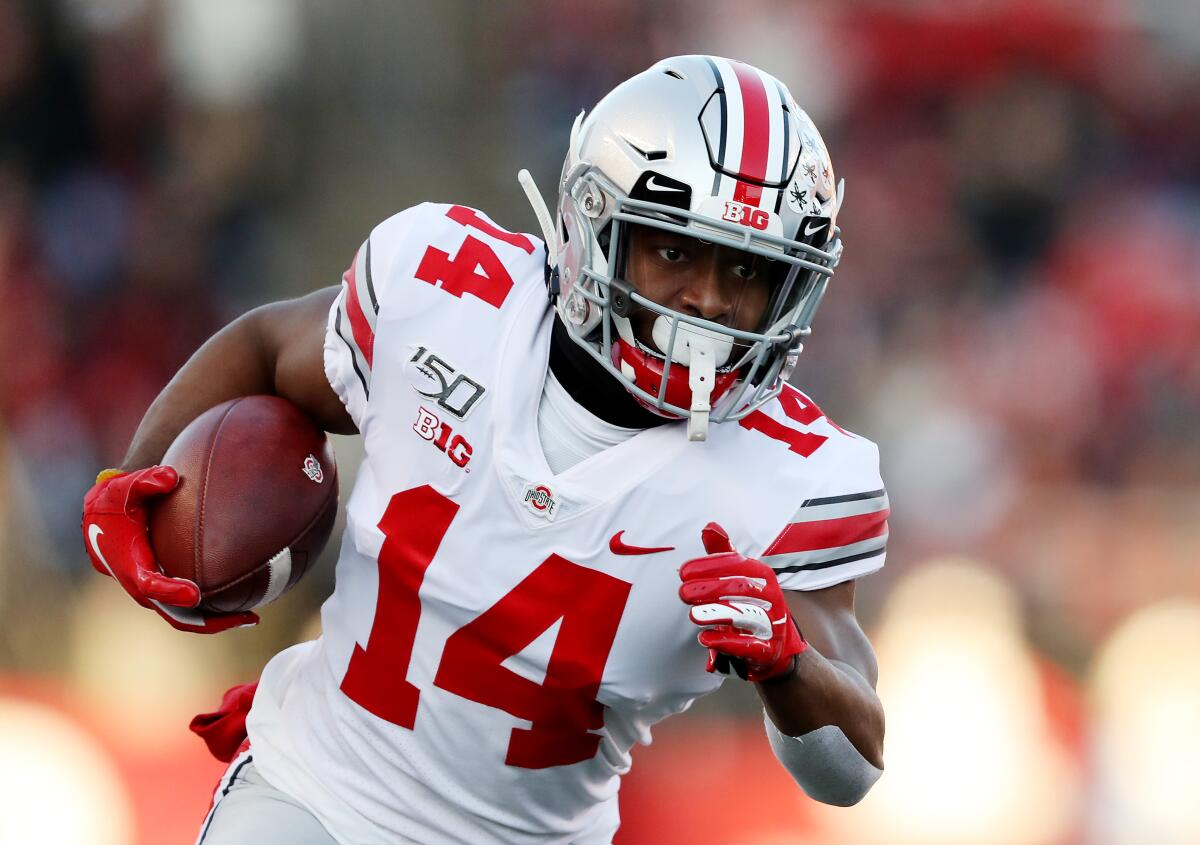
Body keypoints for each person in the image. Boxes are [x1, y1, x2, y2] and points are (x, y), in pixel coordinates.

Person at [82, 55, 888, 844]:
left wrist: (787, 665)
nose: (709, 299)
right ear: (595, 221)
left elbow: (850, 766)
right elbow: (265, 344)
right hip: (316, 791)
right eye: (675, 250)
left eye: (747, 269)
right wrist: (135, 481)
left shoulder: (796, 475)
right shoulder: (448, 293)